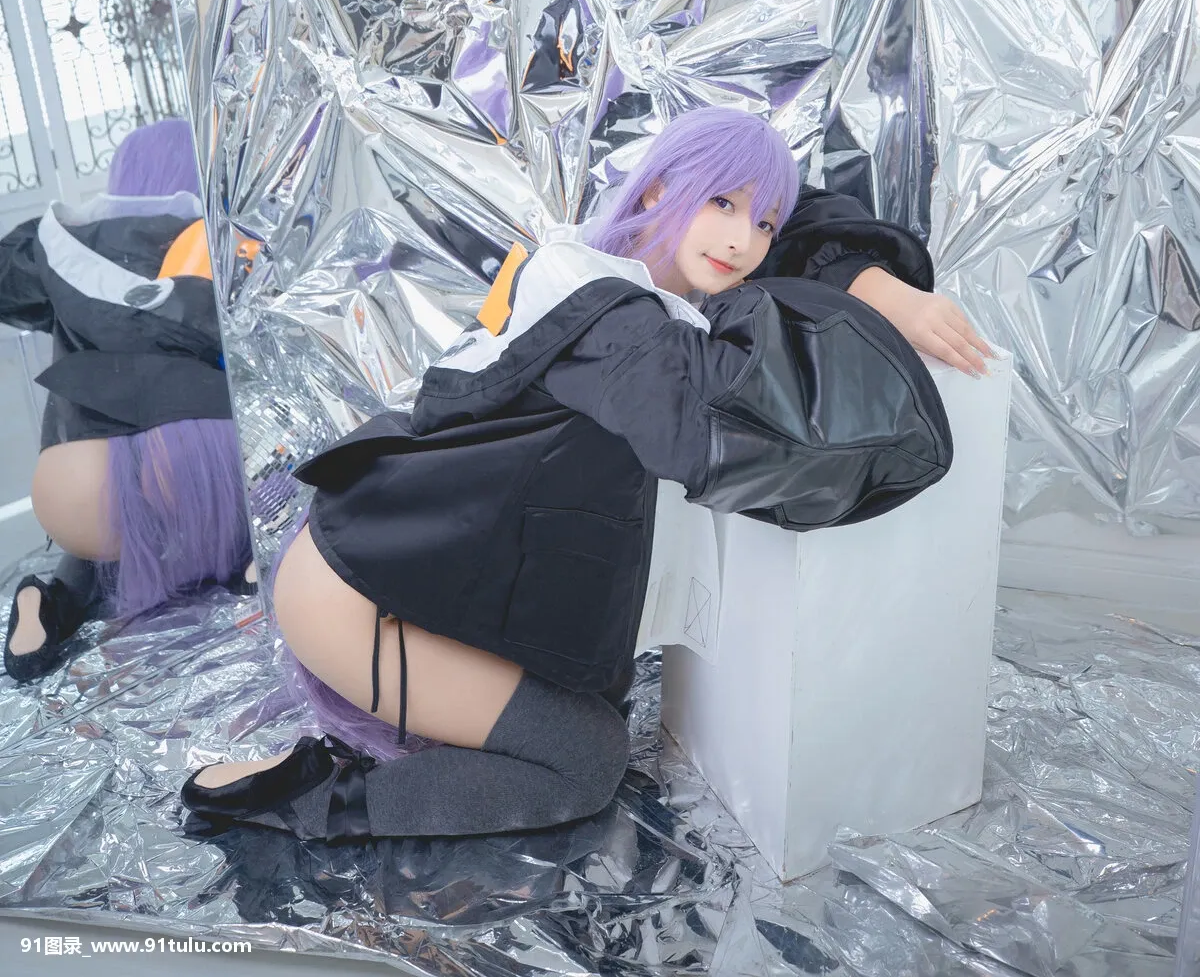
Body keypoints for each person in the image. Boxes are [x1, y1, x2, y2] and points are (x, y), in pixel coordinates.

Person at [180, 107, 990, 842]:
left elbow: (800, 225)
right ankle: (304, 797)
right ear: (659, 188)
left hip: (413, 570)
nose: (744, 239)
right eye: (721, 202)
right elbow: (708, 429)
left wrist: (872, 282)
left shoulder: (646, 302)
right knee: (583, 763)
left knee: (580, 735)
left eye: (764, 222)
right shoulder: (589, 292)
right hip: (364, 588)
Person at [2, 119, 253, 683]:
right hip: (201, 461)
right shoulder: (224, 239)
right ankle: (248, 564)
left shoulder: (69, 244)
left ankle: (50, 599)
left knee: (98, 545)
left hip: (77, 475)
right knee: (244, 515)